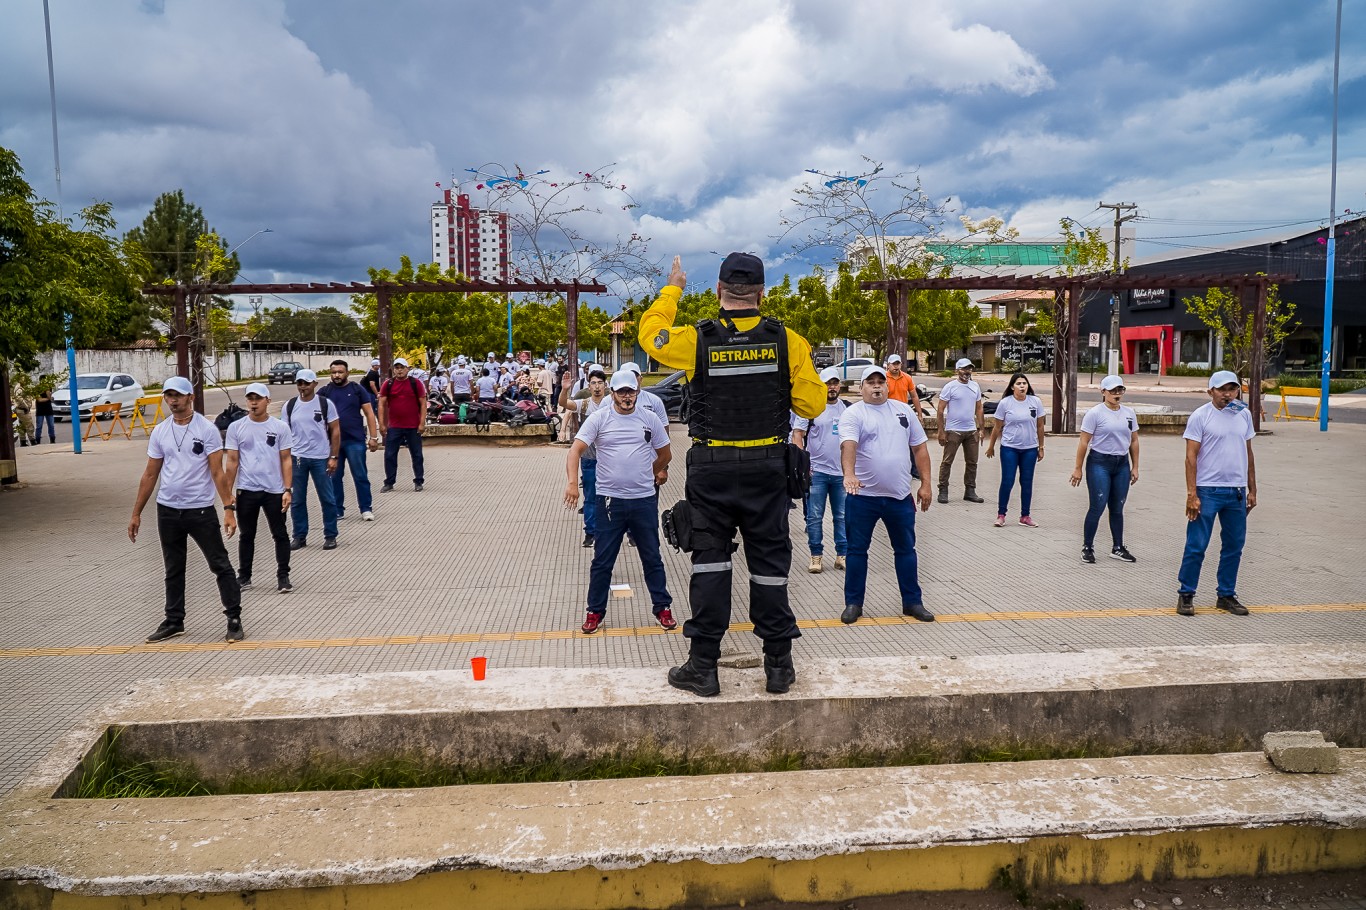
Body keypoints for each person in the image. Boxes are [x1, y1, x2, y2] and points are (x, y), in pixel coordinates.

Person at [638, 253, 825, 697]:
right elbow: (813, 406)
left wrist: (674, 288)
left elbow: (650, 336)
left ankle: (703, 667)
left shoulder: (694, 340)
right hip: (767, 470)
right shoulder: (787, 341)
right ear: (762, 293)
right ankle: (779, 666)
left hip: (712, 470)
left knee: (710, 565)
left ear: (720, 290)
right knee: (770, 567)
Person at [128, 376, 243, 643]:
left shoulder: (207, 429)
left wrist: (228, 508)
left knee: (220, 564)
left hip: (200, 510)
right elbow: (150, 474)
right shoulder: (160, 431)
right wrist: (136, 513)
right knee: (173, 567)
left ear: (190, 397)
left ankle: (234, 618)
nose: (173, 400)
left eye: (178, 395)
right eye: (169, 395)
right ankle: (174, 620)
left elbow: (217, 472)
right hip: (168, 510)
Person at [564, 370, 674, 633]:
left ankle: (663, 608)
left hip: (643, 500)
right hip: (610, 501)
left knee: (652, 557)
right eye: (621, 391)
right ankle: (594, 612)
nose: (627, 396)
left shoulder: (649, 418)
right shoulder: (600, 418)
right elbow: (575, 450)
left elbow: (665, 453)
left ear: (637, 391)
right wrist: (571, 484)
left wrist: (649, 472)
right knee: (603, 559)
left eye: (630, 391)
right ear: (612, 393)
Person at [838, 365, 935, 624]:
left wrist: (925, 484)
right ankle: (853, 603)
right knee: (857, 551)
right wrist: (849, 474)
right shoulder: (854, 413)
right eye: (871, 382)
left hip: (900, 497)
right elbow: (848, 445)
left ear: (888, 385)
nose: (877, 385)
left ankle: (912, 602)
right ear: (862, 388)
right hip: (863, 498)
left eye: (881, 381)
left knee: (906, 550)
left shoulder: (903, 411)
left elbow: (920, 449)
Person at [1177, 370, 1257, 617]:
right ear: (1210, 391)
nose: (1228, 394)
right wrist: (1192, 493)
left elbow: (1248, 452)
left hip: (1236, 491)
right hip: (1207, 490)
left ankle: (1226, 595)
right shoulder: (1201, 416)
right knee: (1197, 544)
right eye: (1222, 389)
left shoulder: (1243, 413)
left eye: (1232, 389)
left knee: (1234, 545)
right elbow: (1190, 457)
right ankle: (1186, 594)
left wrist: (1252, 488)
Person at [224, 383, 294, 593]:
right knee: (247, 535)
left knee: (280, 533)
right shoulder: (236, 428)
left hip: (273, 489)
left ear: (267, 401)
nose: (254, 402)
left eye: (258, 398)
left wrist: (287, 489)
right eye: (250, 398)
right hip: (247, 489)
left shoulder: (280, 427)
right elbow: (232, 461)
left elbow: (286, 459)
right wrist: (228, 493)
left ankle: (283, 576)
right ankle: (244, 576)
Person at [1070, 375, 1140, 564]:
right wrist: (1078, 468)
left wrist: (1135, 466)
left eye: (1120, 390)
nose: (1117, 394)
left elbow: (1133, 440)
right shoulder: (1095, 413)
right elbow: (1084, 442)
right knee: (1098, 505)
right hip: (1099, 462)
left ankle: (1118, 547)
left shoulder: (1129, 413)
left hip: (1121, 464)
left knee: (1118, 507)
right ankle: (1087, 547)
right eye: (1113, 391)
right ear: (1103, 392)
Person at [791, 366, 848, 574]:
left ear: (839, 385)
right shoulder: (811, 409)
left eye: (834, 383)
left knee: (842, 516)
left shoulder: (848, 410)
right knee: (814, 517)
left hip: (841, 474)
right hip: (817, 473)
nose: (831, 387)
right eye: (827, 384)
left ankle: (842, 555)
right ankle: (816, 556)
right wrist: (803, 464)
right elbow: (797, 434)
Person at [285, 369, 341, 550]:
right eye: (300, 383)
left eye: (306, 383)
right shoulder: (290, 405)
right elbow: (284, 433)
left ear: (315, 384)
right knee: (297, 499)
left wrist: (334, 456)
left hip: (321, 458)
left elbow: (335, 430)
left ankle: (330, 535)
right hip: (298, 458)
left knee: (327, 498)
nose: (303, 386)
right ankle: (299, 535)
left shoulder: (325, 404)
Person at [319, 359, 380, 522]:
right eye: (333, 372)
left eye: (340, 372)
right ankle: (338, 509)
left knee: (360, 475)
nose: (336, 375)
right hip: (332, 443)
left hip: (355, 441)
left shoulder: (356, 389)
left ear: (347, 373)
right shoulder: (325, 392)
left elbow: (369, 414)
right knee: (334, 477)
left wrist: (374, 438)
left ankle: (366, 508)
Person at [985, 373, 1046, 528]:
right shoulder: (1005, 403)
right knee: (1008, 480)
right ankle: (1001, 515)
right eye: (1018, 383)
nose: (1022, 386)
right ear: (1012, 387)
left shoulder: (1035, 402)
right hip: (1009, 448)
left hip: (1030, 449)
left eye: (1024, 383)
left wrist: (1041, 447)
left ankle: (1025, 516)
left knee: (1026, 482)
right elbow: (997, 427)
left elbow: (1040, 426)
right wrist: (991, 446)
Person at [560, 365, 610, 546]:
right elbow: (564, 404)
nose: (597, 386)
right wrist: (565, 390)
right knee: (591, 495)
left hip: (610, 458)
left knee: (616, 495)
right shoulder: (585, 403)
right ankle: (590, 532)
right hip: (589, 458)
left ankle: (623, 531)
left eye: (600, 383)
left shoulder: (613, 403)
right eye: (593, 383)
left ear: (606, 385)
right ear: (589, 386)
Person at [935, 358, 986, 504]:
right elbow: (940, 409)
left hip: (970, 430)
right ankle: (943, 490)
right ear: (957, 370)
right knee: (947, 461)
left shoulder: (975, 386)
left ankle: (970, 490)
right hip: (953, 430)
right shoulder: (950, 387)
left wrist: (981, 428)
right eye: (964, 369)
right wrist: (941, 431)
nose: (967, 372)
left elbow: (979, 408)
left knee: (972, 462)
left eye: (969, 369)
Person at [378, 357, 427, 493]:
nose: (399, 370)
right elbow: (381, 404)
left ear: (407, 369)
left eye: (402, 367)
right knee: (389, 455)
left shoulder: (415, 383)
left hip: (413, 426)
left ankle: (418, 481)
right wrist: (381, 424)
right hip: (394, 426)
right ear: (393, 370)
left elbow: (423, 403)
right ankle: (389, 482)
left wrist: (422, 423)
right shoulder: (388, 384)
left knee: (417, 455)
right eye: (397, 368)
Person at [34, 378, 55, 444]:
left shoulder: (49, 388)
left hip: (48, 409)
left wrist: (47, 391)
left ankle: (52, 438)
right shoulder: (37, 389)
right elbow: (39, 400)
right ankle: (37, 440)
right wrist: (48, 399)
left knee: (51, 425)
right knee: (39, 426)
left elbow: (50, 397)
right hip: (40, 410)